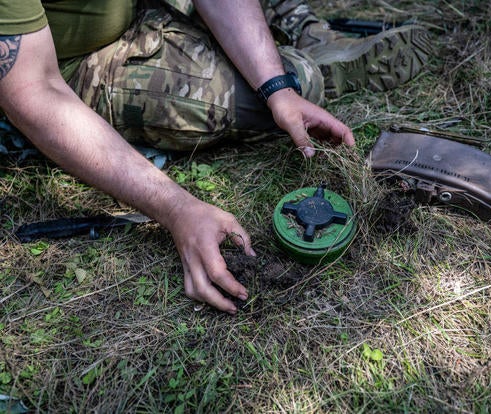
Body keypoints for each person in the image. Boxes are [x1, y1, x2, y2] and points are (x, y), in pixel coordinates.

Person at [0, 0, 431, 314]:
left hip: (128, 12)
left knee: (288, 84)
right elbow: (36, 90)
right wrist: (176, 207)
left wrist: (277, 90)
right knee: (263, 91)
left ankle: (304, 31)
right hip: (58, 61)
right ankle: (308, 52)